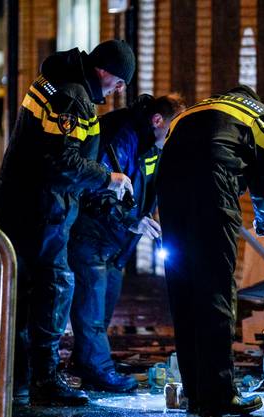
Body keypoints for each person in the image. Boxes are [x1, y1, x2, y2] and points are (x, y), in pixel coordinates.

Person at [0, 40, 136, 406]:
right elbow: (61, 163)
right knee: (54, 285)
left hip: (27, 202)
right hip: (43, 207)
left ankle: (22, 376)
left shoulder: (58, 81)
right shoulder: (74, 96)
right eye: (119, 81)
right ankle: (46, 379)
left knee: (29, 290)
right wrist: (109, 178)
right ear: (104, 70)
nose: (119, 90)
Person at [157, 85, 264, 417]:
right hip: (211, 184)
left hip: (168, 185)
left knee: (184, 289)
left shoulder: (195, 110)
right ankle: (219, 394)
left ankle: (196, 392)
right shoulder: (260, 115)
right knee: (215, 286)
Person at [67, 93, 185, 392]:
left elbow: (149, 189)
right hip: (93, 231)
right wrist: (131, 221)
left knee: (102, 301)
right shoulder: (123, 136)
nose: (172, 138)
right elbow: (101, 189)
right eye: (172, 129)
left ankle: (89, 362)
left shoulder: (152, 144)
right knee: (91, 304)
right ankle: (97, 369)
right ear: (157, 120)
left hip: (116, 241)